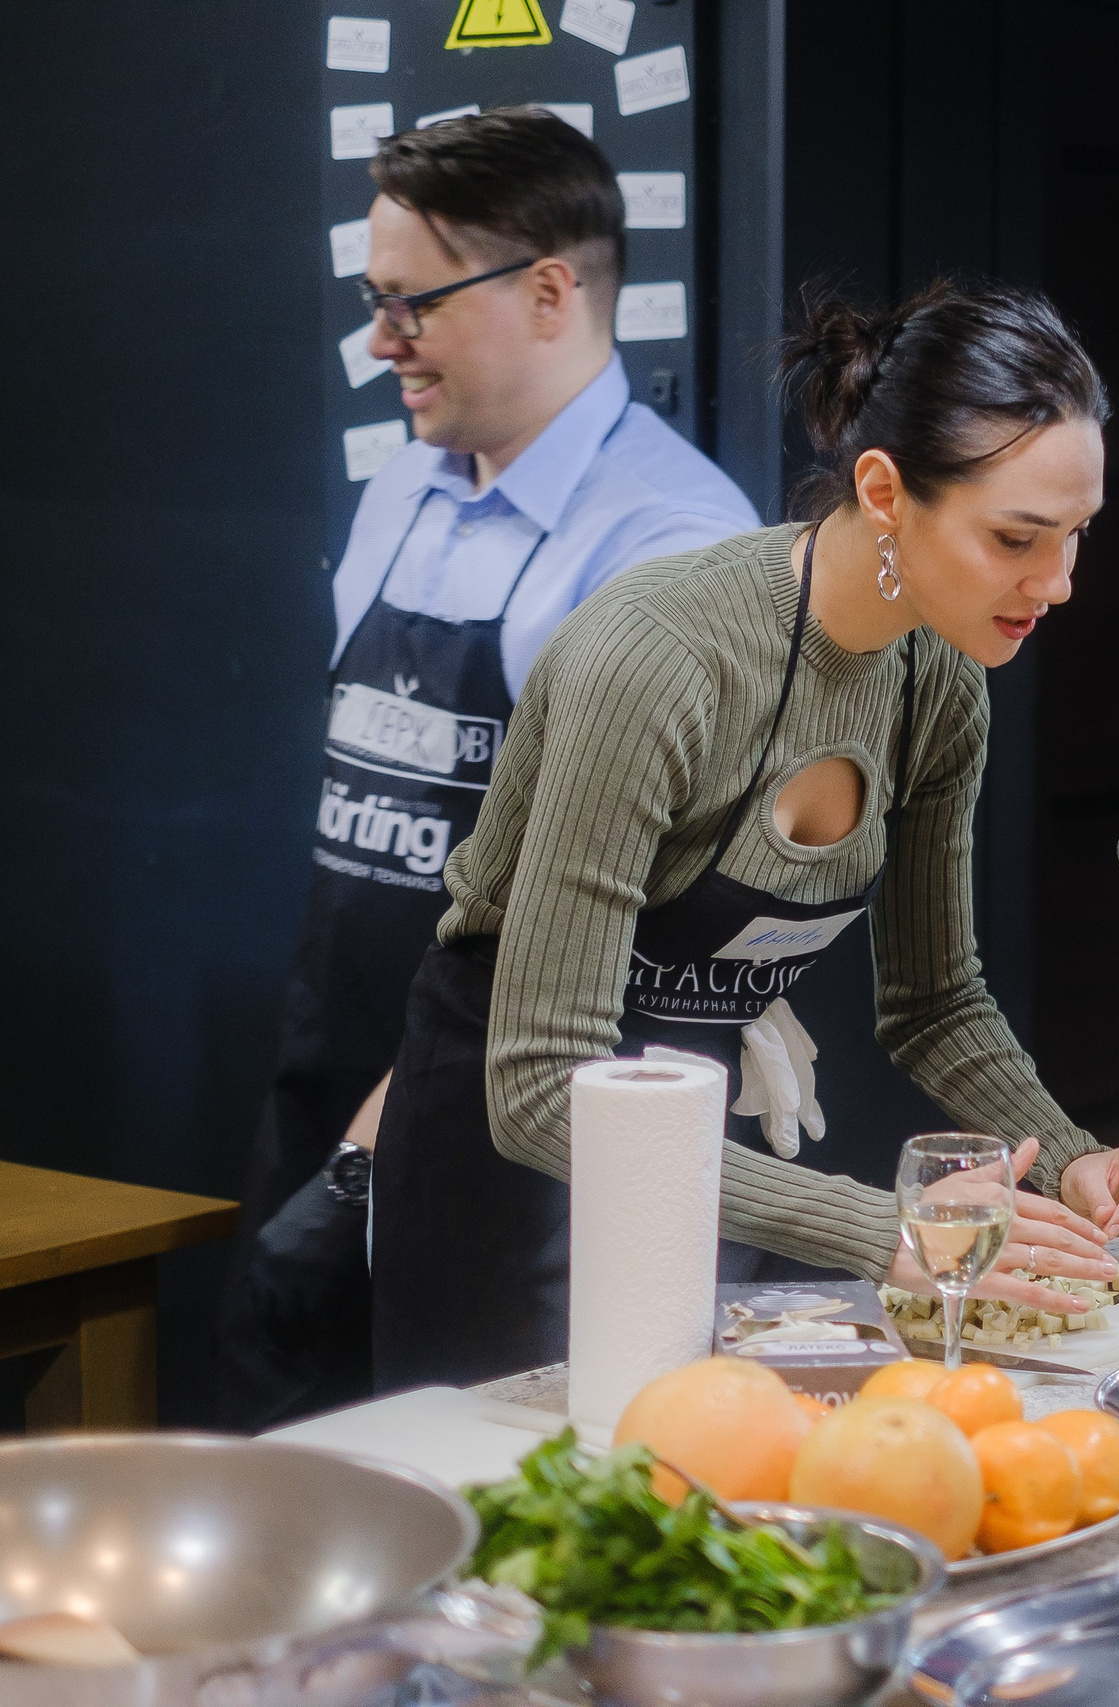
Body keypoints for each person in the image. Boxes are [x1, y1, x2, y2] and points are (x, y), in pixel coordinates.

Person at [369, 277, 1119, 1390]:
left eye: (1075, 538)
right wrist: (879, 1228)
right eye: (1016, 538)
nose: (1056, 585)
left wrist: (1079, 1164)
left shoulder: (940, 681)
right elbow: (538, 1087)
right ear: (884, 490)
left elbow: (935, 1007)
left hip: (709, 1141)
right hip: (512, 1155)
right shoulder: (661, 661)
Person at [217, 110, 759, 1428]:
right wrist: (337, 1145)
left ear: (551, 290)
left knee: (495, 1533)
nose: (379, 341)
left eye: (413, 305)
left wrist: (369, 1161)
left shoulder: (672, 546)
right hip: (335, 1075)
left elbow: (586, 928)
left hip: (524, 1149)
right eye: (373, 299)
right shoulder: (404, 488)